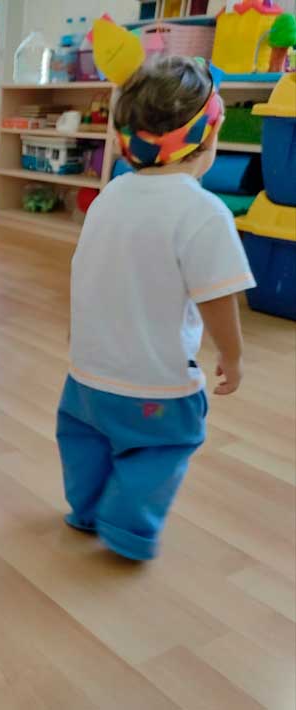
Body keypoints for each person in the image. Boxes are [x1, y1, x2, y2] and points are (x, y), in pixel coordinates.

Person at [58, 55, 256, 561]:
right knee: (163, 446)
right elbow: (217, 297)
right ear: (207, 138)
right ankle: (126, 526)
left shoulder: (110, 195)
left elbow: (87, 272)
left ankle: (86, 508)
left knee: (86, 442)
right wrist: (232, 356)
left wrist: (78, 337)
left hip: (86, 378)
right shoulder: (204, 212)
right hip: (156, 388)